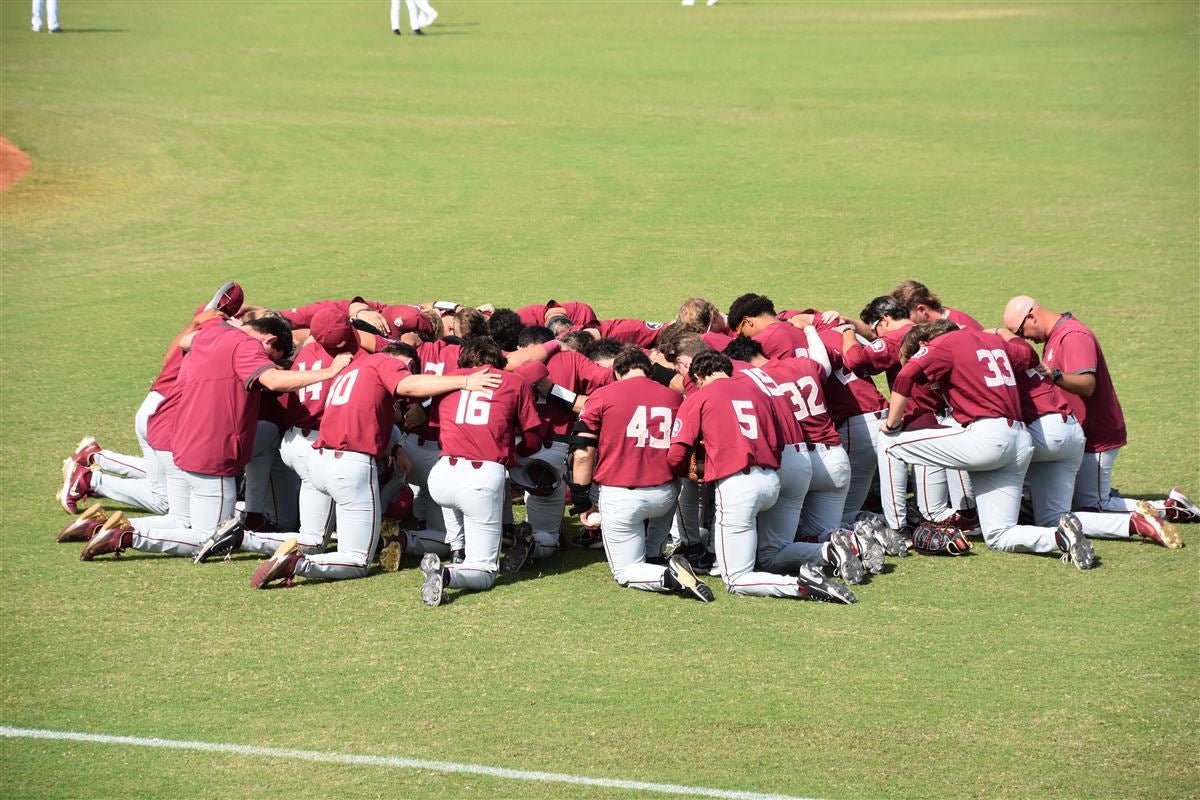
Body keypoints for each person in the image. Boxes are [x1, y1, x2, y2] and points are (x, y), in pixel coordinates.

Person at [248, 313, 503, 589]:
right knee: (357, 560)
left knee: (311, 537)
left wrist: (394, 445)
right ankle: (298, 564)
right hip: (350, 464)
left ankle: (243, 537)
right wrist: (463, 382)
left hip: (319, 459)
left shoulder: (353, 367)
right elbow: (407, 384)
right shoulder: (384, 362)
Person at [80, 316, 351, 562]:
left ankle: (101, 525)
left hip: (181, 440)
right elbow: (272, 380)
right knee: (210, 536)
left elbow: (186, 340)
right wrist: (329, 373)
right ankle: (126, 537)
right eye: (272, 354)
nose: (267, 359)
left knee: (183, 520)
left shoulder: (212, 332)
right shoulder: (248, 347)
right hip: (213, 451)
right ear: (269, 339)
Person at [879, 321, 1096, 568]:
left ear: (922, 344)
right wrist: (1002, 333)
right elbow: (1029, 355)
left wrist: (893, 423)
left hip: (987, 437)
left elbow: (906, 375)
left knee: (887, 442)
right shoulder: (993, 341)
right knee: (998, 535)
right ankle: (1059, 537)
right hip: (1020, 440)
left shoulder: (941, 343)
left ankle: (897, 531)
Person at [668, 351, 857, 602]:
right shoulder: (760, 392)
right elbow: (779, 440)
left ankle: (801, 585)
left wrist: (686, 474)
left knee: (736, 579)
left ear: (699, 377)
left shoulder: (700, 396)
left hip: (737, 485)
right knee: (771, 555)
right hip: (772, 479)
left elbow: (677, 453)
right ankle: (828, 551)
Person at [1003, 295, 1198, 525]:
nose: (1023, 338)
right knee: (1079, 500)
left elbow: (1087, 385)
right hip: (1082, 434)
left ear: (1032, 316)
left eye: (1020, 331)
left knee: (1095, 505)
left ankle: (1171, 508)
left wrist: (1053, 375)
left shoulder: (1073, 336)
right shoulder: (1056, 337)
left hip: (1097, 437)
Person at [572, 347, 714, 600]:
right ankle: (661, 562)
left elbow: (583, 453)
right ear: (649, 372)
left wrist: (582, 498)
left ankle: (670, 577)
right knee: (652, 556)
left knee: (625, 571)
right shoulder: (673, 398)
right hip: (665, 493)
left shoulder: (602, 396)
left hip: (622, 492)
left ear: (617, 372)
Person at [418, 338, 543, 606]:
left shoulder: (450, 380)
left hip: (441, 474)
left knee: (456, 500)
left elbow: (440, 426)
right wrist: (514, 454)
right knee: (486, 572)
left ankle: (458, 550)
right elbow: (534, 439)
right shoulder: (514, 382)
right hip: (480, 478)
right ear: (499, 360)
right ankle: (449, 573)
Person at [892, 280, 983, 330]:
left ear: (922, 310)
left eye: (906, 316)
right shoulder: (935, 323)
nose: (903, 321)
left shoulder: (958, 327)